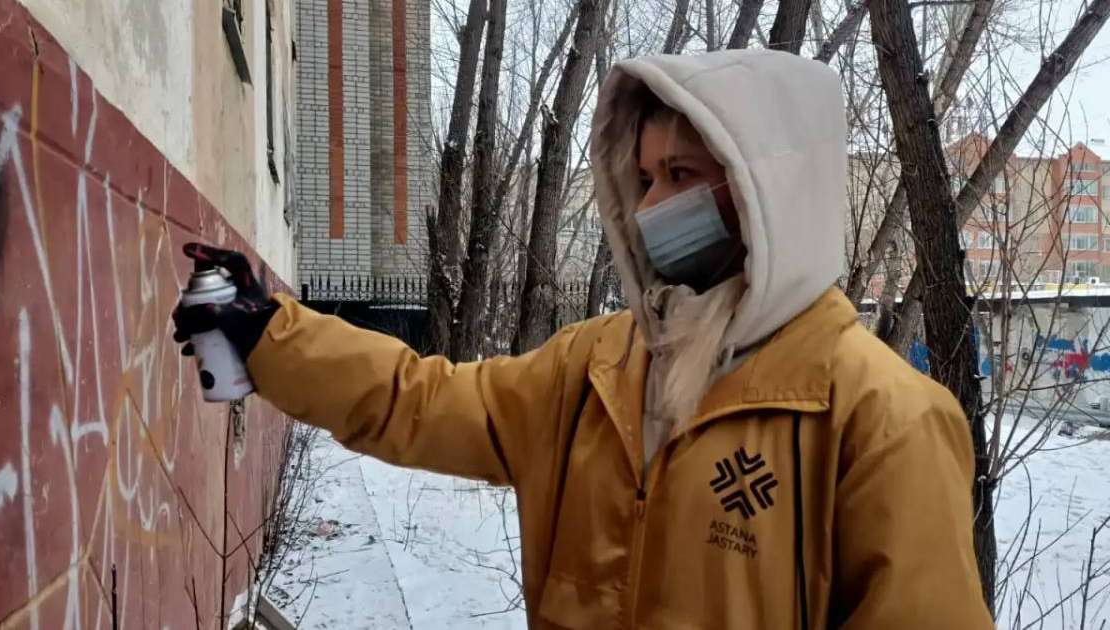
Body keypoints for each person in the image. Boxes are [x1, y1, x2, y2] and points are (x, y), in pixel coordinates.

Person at [174, 50, 993, 629]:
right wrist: (270, 335)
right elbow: (423, 401)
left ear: (765, 192)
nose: (647, 209)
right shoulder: (599, 366)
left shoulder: (881, 418)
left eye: (680, 177)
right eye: (641, 180)